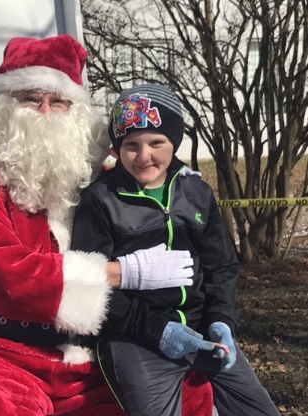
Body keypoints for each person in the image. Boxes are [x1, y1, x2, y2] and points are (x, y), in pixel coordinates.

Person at [0, 35, 211, 416]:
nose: (45, 111)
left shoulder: (95, 174)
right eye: (30, 98)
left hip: (89, 353)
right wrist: (120, 273)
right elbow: (2, 274)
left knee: (190, 392)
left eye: (58, 101)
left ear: (76, 112)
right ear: (1, 105)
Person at [70, 83, 282, 416]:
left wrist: (222, 319)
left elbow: (221, 265)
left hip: (201, 328)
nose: (144, 156)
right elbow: (89, 284)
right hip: (135, 337)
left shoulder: (195, 191)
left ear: (174, 141)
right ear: (117, 148)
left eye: (156, 142)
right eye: (131, 145)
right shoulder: (100, 200)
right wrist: (158, 331)